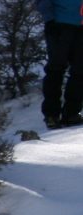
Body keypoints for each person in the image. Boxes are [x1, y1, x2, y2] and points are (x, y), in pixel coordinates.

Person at [38, 0, 83, 128]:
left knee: (80, 70)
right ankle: (51, 115)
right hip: (59, 25)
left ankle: (72, 113)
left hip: (79, 26)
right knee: (56, 69)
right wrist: (49, 20)